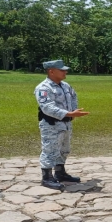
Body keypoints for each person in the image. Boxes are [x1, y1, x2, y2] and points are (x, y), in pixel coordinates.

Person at [35, 60, 90, 190]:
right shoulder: (43, 88)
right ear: (51, 71)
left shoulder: (65, 86)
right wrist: (69, 113)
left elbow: (73, 97)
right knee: (50, 149)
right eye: (62, 70)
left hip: (66, 123)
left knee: (64, 149)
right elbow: (47, 107)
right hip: (51, 124)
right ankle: (47, 177)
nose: (65, 72)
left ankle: (60, 172)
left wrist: (73, 112)